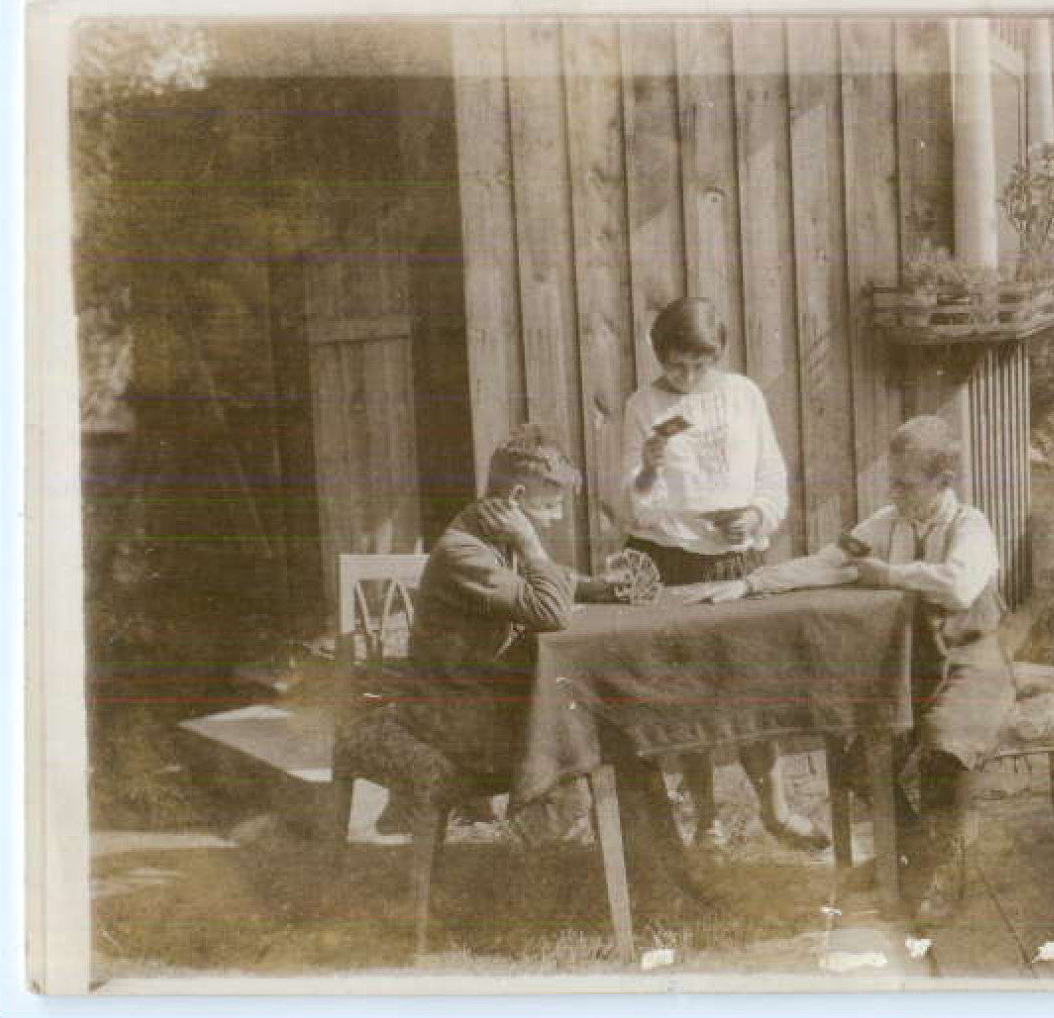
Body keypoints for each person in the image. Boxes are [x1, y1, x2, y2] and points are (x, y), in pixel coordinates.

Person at [699, 415, 1016, 919]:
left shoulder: (970, 526)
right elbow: (828, 560)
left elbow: (956, 587)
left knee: (945, 745)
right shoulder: (886, 523)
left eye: (906, 484)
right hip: (916, 669)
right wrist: (753, 583)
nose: (895, 493)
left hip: (973, 662)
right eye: (891, 481)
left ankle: (941, 871)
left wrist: (888, 573)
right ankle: (912, 853)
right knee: (860, 758)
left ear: (944, 482)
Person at [381, 424, 699, 903]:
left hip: (482, 699)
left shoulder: (488, 537)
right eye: (548, 508)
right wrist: (530, 543)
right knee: (613, 734)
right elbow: (548, 610)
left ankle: (663, 882)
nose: (552, 521)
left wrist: (601, 586)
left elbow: (553, 583)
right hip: (451, 718)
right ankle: (645, 886)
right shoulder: (463, 551)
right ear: (515, 499)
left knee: (621, 730)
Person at [620, 296, 827, 852]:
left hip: (737, 561)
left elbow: (771, 476)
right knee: (690, 694)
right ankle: (706, 820)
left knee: (751, 686)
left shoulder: (744, 396)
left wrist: (757, 516)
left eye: (699, 364)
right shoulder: (643, 404)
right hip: (671, 561)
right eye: (675, 365)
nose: (686, 376)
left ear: (721, 354)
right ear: (658, 355)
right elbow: (636, 505)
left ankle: (776, 811)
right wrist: (648, 467)